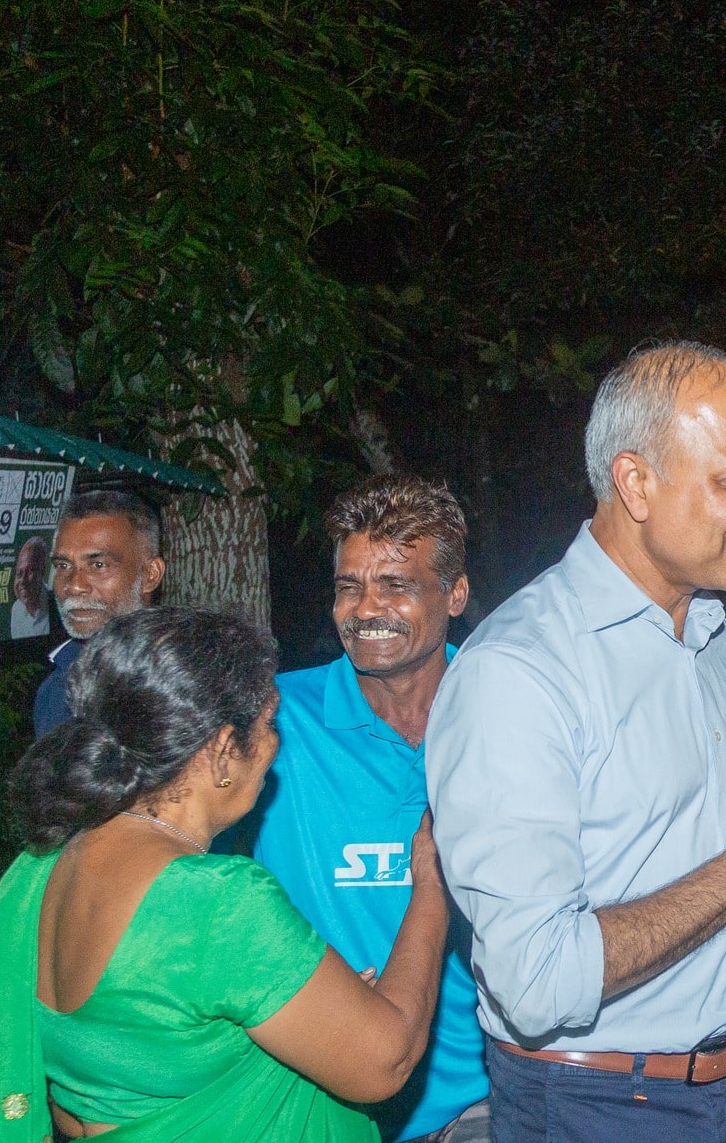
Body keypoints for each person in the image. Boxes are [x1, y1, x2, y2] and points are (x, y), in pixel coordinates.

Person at [426, 341, 726, 1143]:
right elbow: (535, 980)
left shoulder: (719, 643)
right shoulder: (522, 671)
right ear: (636, 482)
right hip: (597, 1104)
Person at [0, 607, 448, 1142]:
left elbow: (93, 1086)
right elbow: (387, 1061)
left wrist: (314, 1003)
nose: (276, 745)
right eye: (268, 723)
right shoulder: (216, 905)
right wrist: (432, 884)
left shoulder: (38, 872)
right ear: (219, 751)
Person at [252, 475, 490, 1143]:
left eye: (395, 584)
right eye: (349, 585)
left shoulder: (504, 715)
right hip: (315, 1093)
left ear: (456, 593)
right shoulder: (274, 720)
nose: (365, 608)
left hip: (478, 1095)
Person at [34, 490, 166, 737]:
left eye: (98, 565)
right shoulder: (56, 689)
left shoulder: (188, 681)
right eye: (63, 566)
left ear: (150, 575)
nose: (74, 585)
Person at [11, 535, 51, 639]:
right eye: (19, 574)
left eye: (30, 571)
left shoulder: (57, 605)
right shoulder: (16, 609)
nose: (23, 581)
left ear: (42, 571)